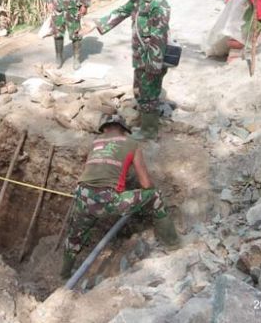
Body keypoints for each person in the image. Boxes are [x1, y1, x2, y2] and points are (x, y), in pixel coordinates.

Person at [61, 114, 180, 279]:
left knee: (75, 236)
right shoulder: (131, 144)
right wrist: (143, 195)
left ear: (105, 128)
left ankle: (65, 274)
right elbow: (145, 183)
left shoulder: (95, 143)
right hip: (108, 201)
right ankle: (173, 244)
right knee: (155, 196)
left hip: (82, 197)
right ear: (124, 130)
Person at [81, 0, 171, 140]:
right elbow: (122, 11)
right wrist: (96, 25)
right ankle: (144, 120)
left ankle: (149, 131)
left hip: (151, 59)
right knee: (140, 89)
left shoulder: (158, 3)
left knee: (149, 93)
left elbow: (159, 38)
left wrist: (153, 67)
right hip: (141, 56)